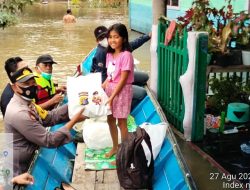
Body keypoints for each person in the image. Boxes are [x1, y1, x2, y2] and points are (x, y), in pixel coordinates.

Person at [4, 65, 87, 176]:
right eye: (26, 84)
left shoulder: (27, 102)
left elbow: (49, 117)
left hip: (27, 158)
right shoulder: (19, 113)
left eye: (33, 82)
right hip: (17, 170)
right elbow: (49, 140)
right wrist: (74, 120)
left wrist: (75, 104)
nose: (31, 86)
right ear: (14, 87)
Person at [91, 25, 150, 109]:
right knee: (141, 92)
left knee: (144, 77)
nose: (109, 40)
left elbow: (133, 44)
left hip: (119, 77)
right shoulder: (103, 53)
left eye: (106, 36)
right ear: (97, 41)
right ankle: (123, 107)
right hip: (111, 82)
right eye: (101, 38)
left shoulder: (118, 48)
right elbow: (104, 76)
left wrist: (147, 36)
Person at [102, 23, 134, 158]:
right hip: (110, 90)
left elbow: (122, 79)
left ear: (124, 39)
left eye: (116, 37)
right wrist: (103, 85)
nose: (112, 40)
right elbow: (110, 75)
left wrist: (112, 97)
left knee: (121, 122)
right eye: (110, 37)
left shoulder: (126, 55)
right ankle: (115, 147)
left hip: (122, 91)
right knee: (110, 119)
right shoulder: (109, 54)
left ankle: (125, 154)